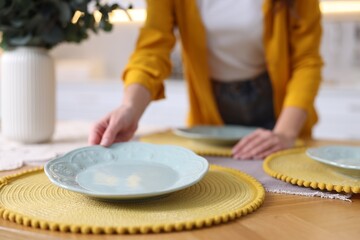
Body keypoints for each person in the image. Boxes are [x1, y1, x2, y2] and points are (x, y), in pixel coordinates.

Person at [88, 0, 323, 160]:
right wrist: (130, 108)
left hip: (282, 110)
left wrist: (284, 133)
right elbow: (152, 49)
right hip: (211, 109)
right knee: (219, 191)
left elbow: (306, 61)